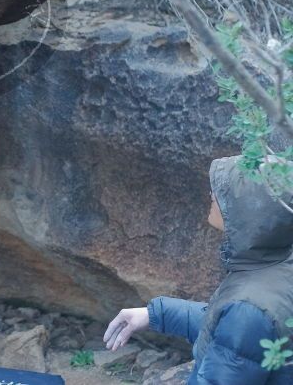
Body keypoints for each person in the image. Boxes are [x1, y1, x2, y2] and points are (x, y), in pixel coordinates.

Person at [103, 155, 293, 384]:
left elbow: (242, 329)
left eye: (224, 193)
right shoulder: (276, 266)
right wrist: (156, 314)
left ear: (250, 213)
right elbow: (232, 334)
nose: (211, 195)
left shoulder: (248, 308)